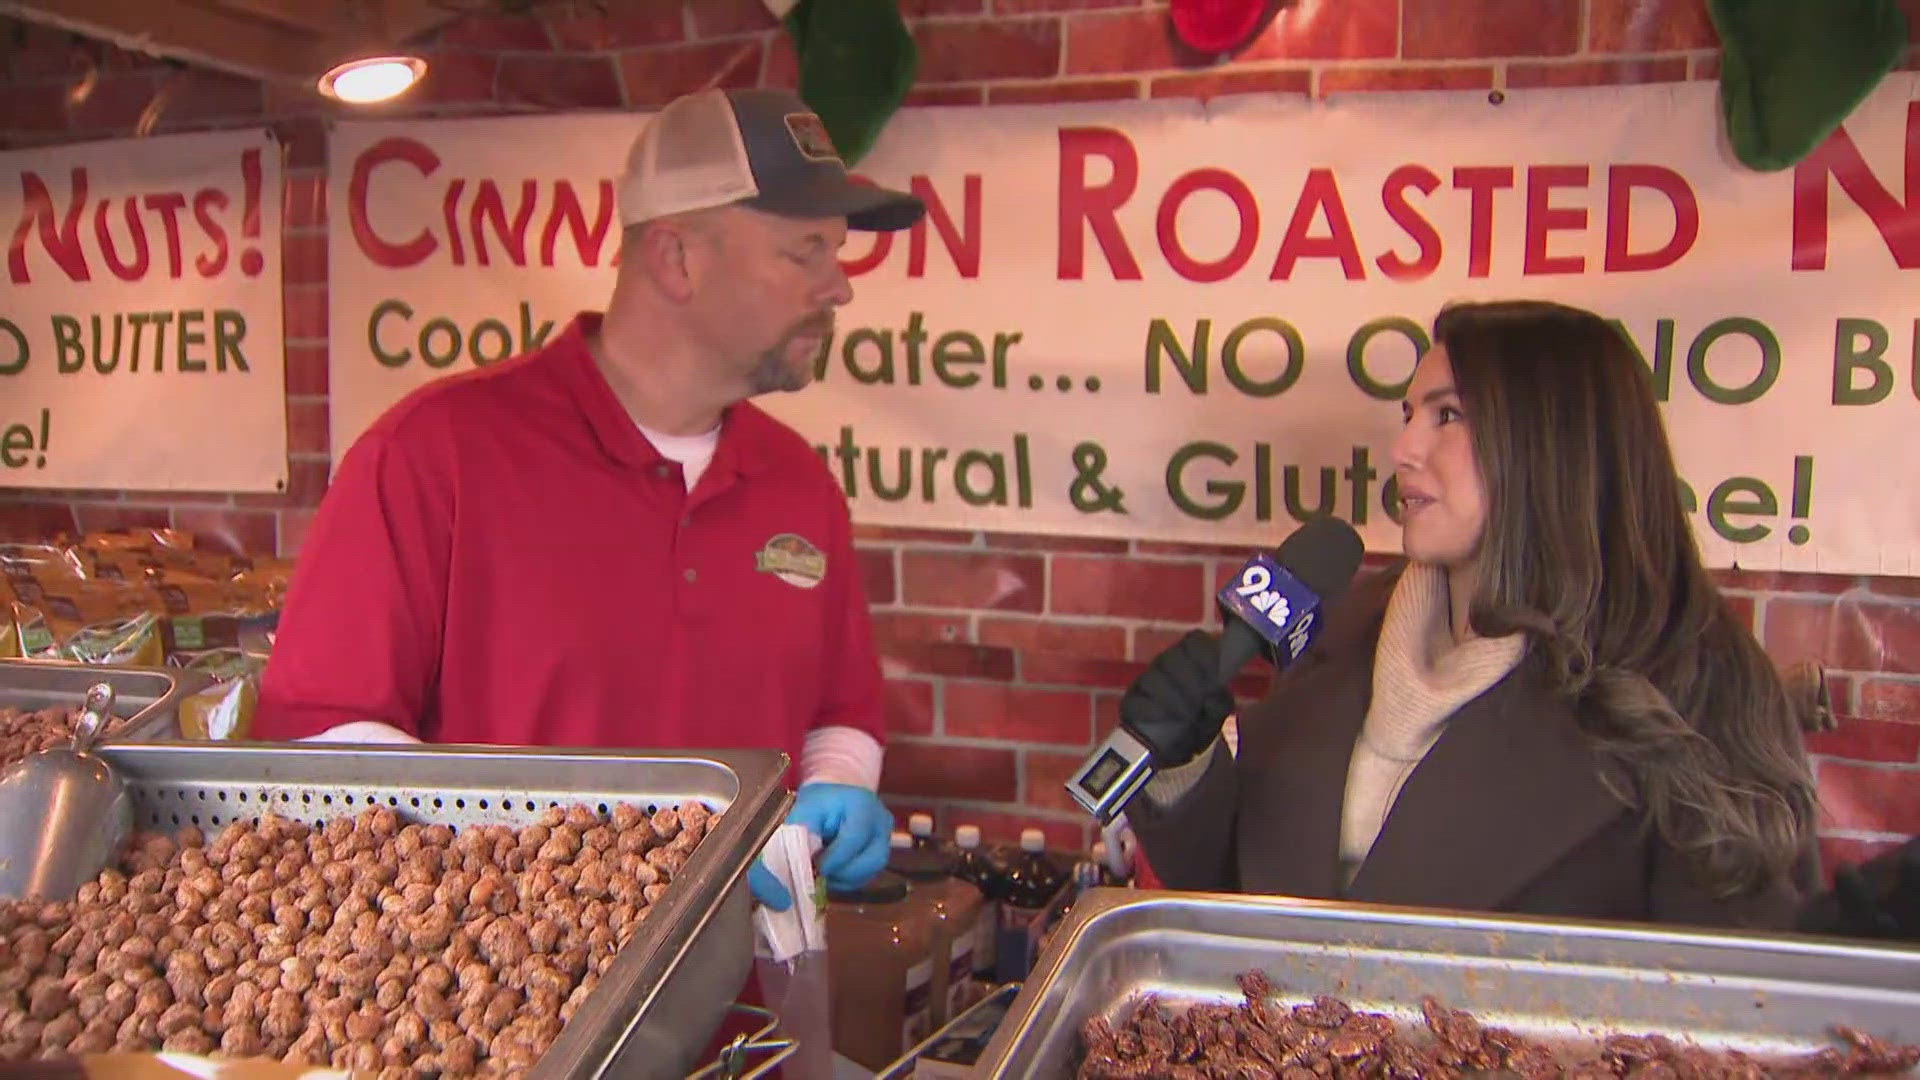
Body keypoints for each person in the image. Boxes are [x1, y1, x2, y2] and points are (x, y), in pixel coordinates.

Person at [254, 87, 928, 912]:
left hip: (747, 1013)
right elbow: (320, 736)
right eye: (806, 251)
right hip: (509, 1015)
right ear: (678, 258)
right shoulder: (434, 455)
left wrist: (839, 787)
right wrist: (537, 883)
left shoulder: (799, 484)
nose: (839, 288)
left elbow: (840, 711)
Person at [1116, 299, 1820, 929]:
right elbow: (1237, 895)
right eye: (1408, 415)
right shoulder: (1339, 633)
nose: (1403, 449)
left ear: (1552, 443)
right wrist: (1185, 768)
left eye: (1447, 416)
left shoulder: (1701, 685)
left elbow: (1742, 1002)